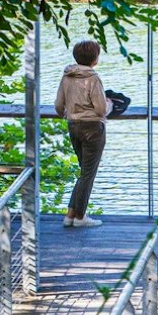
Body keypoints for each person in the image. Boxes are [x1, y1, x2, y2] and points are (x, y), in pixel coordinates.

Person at [56, 38, 108, 229]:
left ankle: (70, 214)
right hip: (93, 128)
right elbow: (101, 109)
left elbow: (58, 105)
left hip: (73, 125)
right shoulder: (93, 78)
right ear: (95, 59)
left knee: (83, 172)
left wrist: (71, 112)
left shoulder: (67, 76)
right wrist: (109, 105)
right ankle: (80, 218)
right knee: (88, 173)